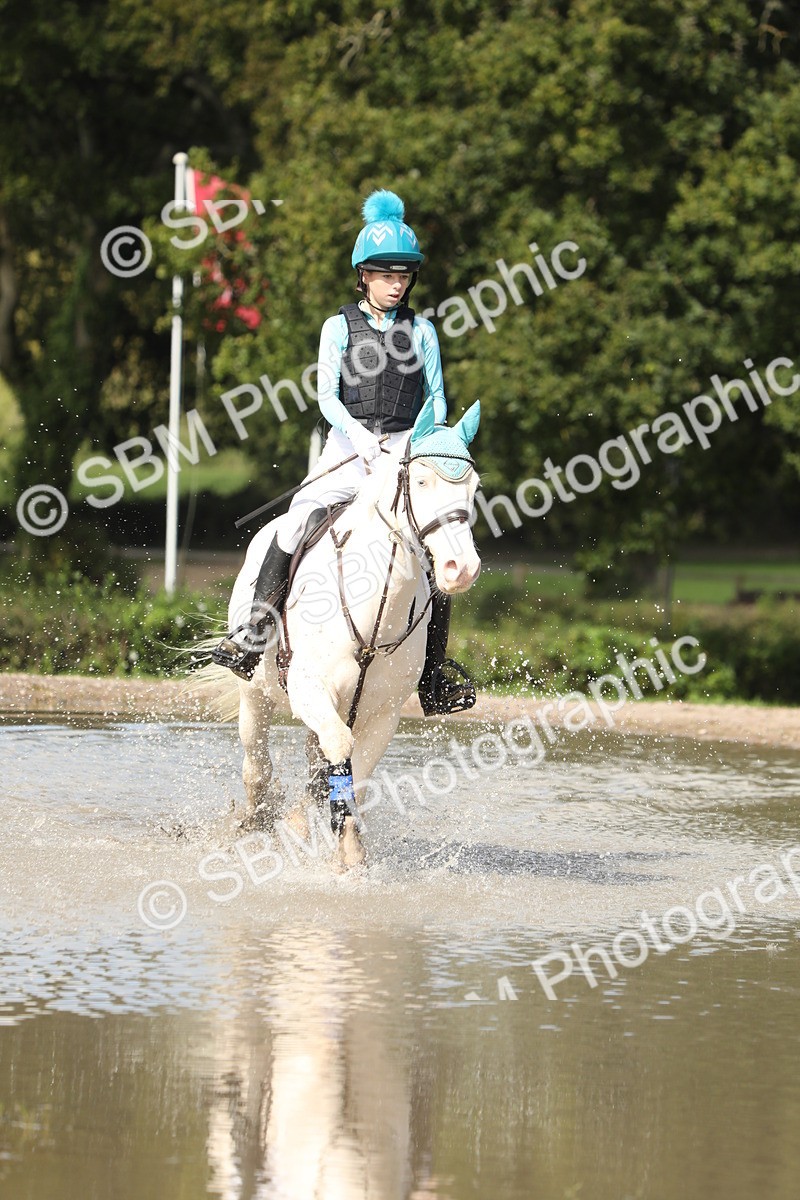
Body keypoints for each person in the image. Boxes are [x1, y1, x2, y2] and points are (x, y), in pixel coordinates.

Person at [212, 189, 475, 715]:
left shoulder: (422, 331)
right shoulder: (338, 327)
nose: (396, 284)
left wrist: (420, 441)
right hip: (347, 448)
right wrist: (356, 437)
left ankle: (433, 672)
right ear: (364, 276)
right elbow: (326, 395)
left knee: (432, 555)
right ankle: (256, 631)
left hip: (404, 450)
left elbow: (438, 396)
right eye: (386, 275)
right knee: (295, 523)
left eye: (403, 276)